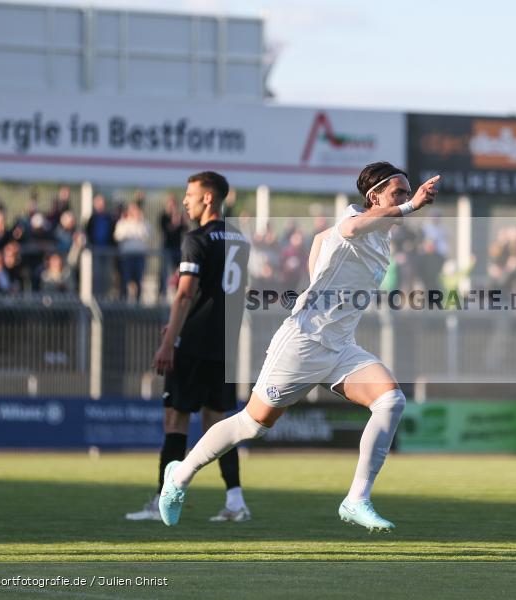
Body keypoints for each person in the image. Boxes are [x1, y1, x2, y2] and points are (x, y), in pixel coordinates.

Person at [157, 162, 440, 531]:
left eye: (407, 192)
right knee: (251, 425)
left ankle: (356, 499)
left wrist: (316, 279)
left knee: (391, 400)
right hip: (303, 343)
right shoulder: (356, 221)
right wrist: (411, 206)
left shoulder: (380, 234)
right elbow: (347, 229)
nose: (405, 197)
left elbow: (322, 239)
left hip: (340, 347)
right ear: (374, 197)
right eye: (398, 192)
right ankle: (178, 477)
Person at [125, 171, 251, 523]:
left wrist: (169, 342)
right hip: (224, 344)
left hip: (193, 343)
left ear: (208, 198)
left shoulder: (196, 239)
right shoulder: (241, 239)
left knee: (175, 420)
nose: (185, 200)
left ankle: (160, 501)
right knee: (219, 425)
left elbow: (186, 293)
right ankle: (235, 502)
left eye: (189, 193)